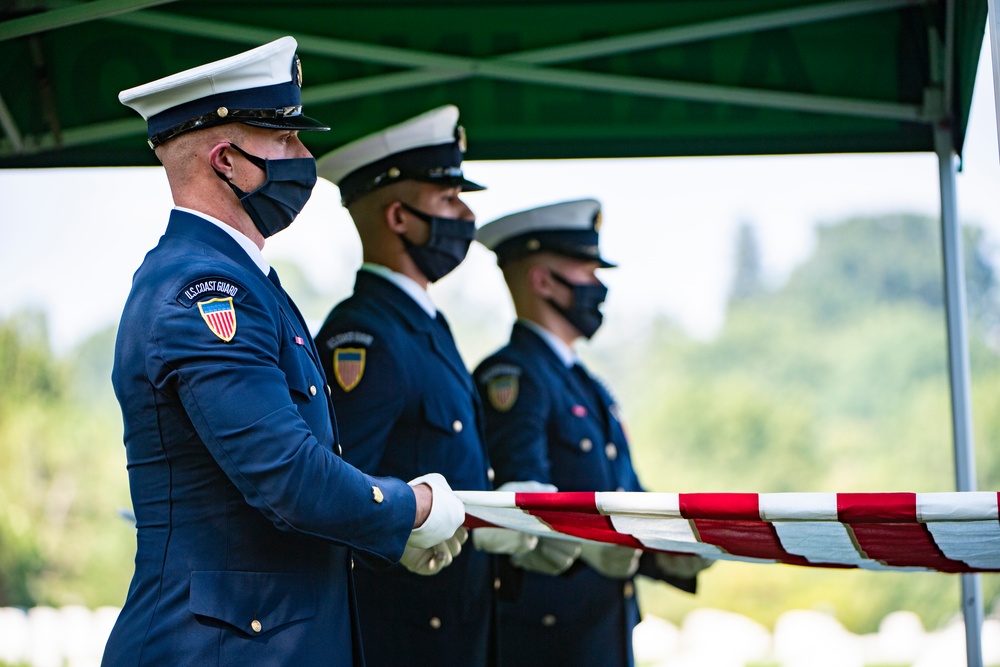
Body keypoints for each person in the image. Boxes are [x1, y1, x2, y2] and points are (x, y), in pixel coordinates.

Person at [104, 37, 466, 667]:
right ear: (226, 160)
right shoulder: (202, 290)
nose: (305, 156)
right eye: (287, 138)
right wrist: (413, 507)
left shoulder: (244, 281)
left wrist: (385, 528)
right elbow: (289, 477)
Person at [473, 199, 713, 667]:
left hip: (602, 628)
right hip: (549, 636)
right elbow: (523, 511)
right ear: (543, 281)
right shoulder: (513, 376)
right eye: (586, 271)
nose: (599, 287)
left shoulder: (587, 384)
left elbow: (626, 498)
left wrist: (667, 549)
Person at [314, 105, 502, 666]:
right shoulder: (366, 334)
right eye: (447, 200)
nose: (466, 213)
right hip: (405, 632)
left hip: (453, 623)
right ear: (398, 216)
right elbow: (340, 496)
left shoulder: (423, 325)